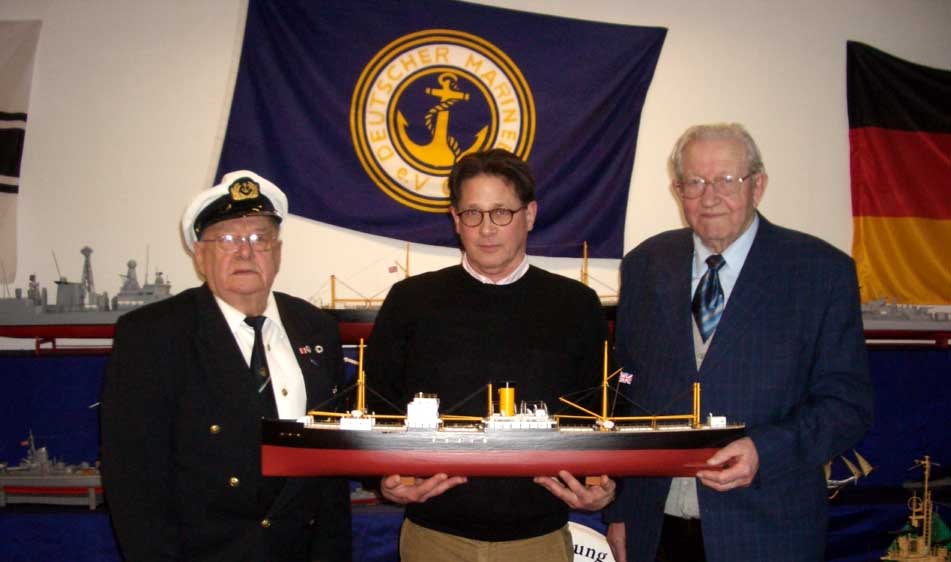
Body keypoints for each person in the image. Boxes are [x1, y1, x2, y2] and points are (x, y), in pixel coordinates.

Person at [603, 123, 874, 562]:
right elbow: (625, 398)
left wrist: (763, 451)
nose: (709, 197)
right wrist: (622, 510)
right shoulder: (645, 266)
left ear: (758, 185)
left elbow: (848, 406)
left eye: (727, 180)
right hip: (655, 531)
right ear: (678, 189)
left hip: (769, 530)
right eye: (695, 182)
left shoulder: (821, 272)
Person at [364, 148, 617, 562]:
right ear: (455, 219)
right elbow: (376, 402)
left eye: (501, 212)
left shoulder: (577, 305)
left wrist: (608, 485)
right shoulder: (410, 301)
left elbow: (604, 410)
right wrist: (381, 478)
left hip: (538, 540)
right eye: (472, 213)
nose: (486, 229)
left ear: (530, 215)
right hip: (434, 537)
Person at [101, 171, 352, 562]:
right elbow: (134, 483)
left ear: (278, 252)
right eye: (227, 239)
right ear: (200, 256)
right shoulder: (153, 335)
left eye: (259, 238)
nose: (246, 252)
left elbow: (328, 478)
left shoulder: (315, 327)